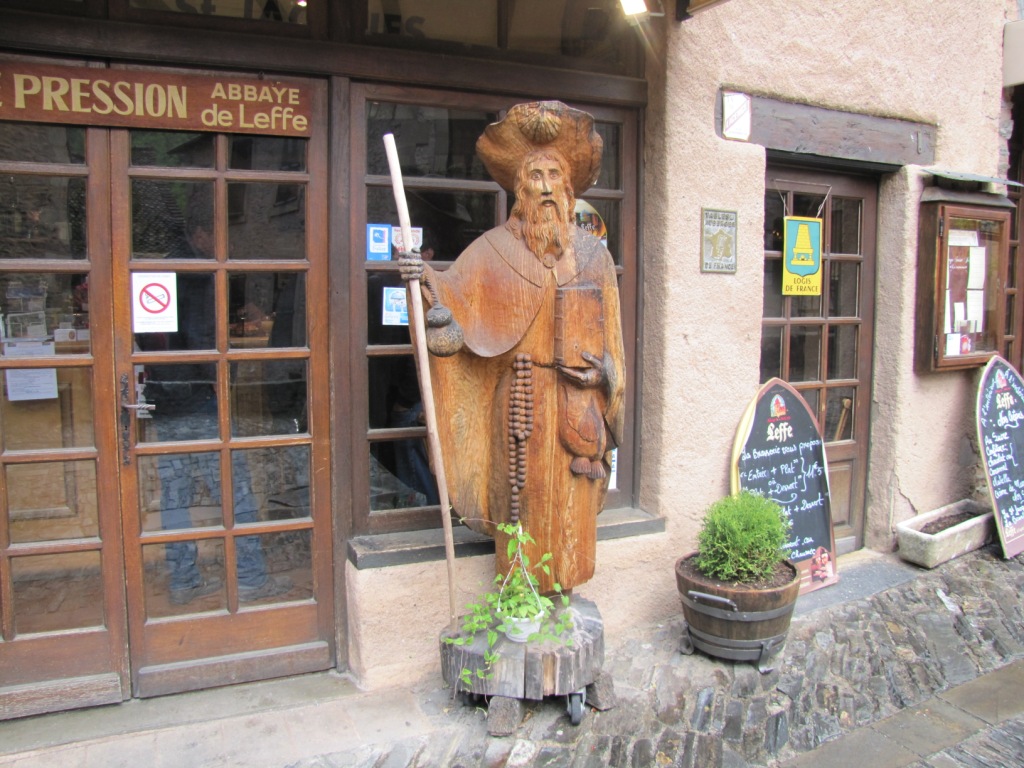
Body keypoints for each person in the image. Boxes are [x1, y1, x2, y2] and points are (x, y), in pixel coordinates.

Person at [400, 101, 625, 592]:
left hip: (578, 409)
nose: (545, 186)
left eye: (554, 175)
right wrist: (423, 277)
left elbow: (615, 350)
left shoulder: (595, 256)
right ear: (520, 189)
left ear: (568, 189)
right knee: (519, 499)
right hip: (520, 402)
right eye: (535, 176)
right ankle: (521, 594)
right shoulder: (493, 249)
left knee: (571, 510)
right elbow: (452, 300)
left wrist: (604, 374)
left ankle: (565, 592)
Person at [141, 205, 291, 605]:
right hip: (197, 398)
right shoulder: (198, 273)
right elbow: (201, 340)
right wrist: (220, 382)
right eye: (220, 234)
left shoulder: (159, 270)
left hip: (163, 397)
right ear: (200, 233)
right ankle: (251, 577)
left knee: (174, 495)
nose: (226, 243)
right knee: (234, 489)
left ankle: (183, 580)